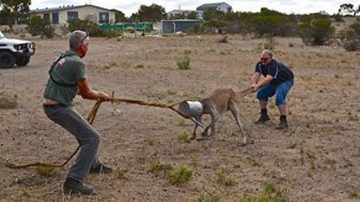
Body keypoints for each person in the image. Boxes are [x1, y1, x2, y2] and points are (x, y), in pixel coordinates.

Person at [43, 30, 113, 195]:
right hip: (58, 108)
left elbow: (76, 89)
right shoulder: (77, 63)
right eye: (87, 45)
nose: (88, 48)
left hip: (54, 105)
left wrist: (97, 95)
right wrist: (101, 95)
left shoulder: (62, 57)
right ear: (81, 46)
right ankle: (73, 182)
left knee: (86, 132)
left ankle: (92, 165)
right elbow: (86, 93)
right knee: (92, 138)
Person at [251, 49, 294, 129]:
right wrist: (254, 83)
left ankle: (283, 120)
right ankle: (264, 116)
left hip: (285, 81)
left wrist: (257, 86)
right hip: (275, 82)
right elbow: (256, 74)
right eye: (261, 59)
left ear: (271, 58)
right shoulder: (260, 64)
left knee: (279, 96)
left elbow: (268, 78)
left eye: (265, 59)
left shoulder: (274, 65)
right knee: (261, 93)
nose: (263, 61)